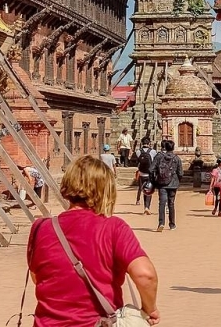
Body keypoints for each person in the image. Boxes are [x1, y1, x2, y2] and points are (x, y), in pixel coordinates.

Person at [27, 155, 160, 326]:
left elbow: (37, 276)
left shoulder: (40, 228)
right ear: (106, 189)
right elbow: (145, 275)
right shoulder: (113, 228)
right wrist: (150, 309)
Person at [149, 139, 183, 232]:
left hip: (161, 183)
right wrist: (177, 181)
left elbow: (151, 169)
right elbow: (180, 173)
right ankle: (172, 224)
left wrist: (154, 181)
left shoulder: (159, 157)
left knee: (162, 203)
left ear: (164, 147)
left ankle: (161, 223)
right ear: (173, 147)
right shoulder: (177, 158)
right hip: (173, 183)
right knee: (171, 203)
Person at [135, 137, 155, 215]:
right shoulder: (153, 151)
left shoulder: (138, 152)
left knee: (144, 190)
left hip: (142, 173)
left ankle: (145, 207)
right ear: (149, 143)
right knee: (149, 190)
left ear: (142, 143)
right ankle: (147, 207)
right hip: (150, 174)